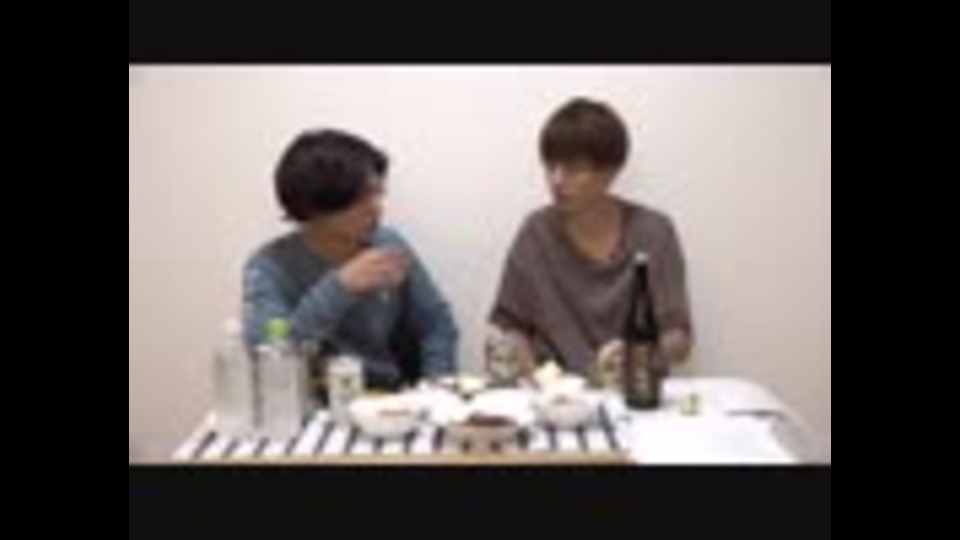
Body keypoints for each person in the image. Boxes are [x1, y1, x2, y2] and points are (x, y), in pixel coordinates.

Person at [489, 97, 693, 379]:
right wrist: (526, 368)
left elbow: (679, 337)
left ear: (611, 172)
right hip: (555, 393)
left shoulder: (654, 232)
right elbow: (512, 326)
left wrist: (639, 354)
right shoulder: (535, 233)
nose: (557, 180)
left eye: (574, 168)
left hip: (634, 389)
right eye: (550, 166)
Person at [242, 128, 458, 390]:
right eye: (361, 198)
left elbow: (436, 324)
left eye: (378, 194)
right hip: (309, 405)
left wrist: (436, 390)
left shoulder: (386, 244)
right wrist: (340, 287)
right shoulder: (268, 267)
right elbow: (269, 359)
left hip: (389, 399)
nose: (377, 208)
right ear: (315, 204)